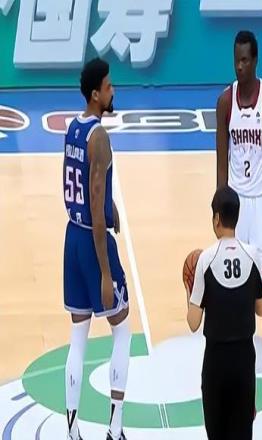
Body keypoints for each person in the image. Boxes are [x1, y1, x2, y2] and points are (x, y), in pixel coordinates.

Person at [215, 30, 262, 428]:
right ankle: (246, 389)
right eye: (235, 60)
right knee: (237, 302)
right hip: (237, 209)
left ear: (256, 61)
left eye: (245, 60)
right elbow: (220, 161)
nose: (239, 67)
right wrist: (220, 212)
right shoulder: (225, 101)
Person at [63, 57, 131, 440]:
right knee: (123, 330)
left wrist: (110, 206)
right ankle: (115, 429)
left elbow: (86, 186)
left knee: (78, 338)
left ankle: (72, 431)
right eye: (108, 87)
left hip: (72, 237)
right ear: (95, 94)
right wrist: (106, 272)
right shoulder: (99, 137)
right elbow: (94, 195)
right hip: (93, 242)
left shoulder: (73, 128)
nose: (112, 91)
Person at [186, 185, 262, 440]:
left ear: (217, 218)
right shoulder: (253, 255)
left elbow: (193, 322)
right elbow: (261, 309)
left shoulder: (205, 260)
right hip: (244, 360)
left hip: (216, 362)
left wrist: (189, 290)